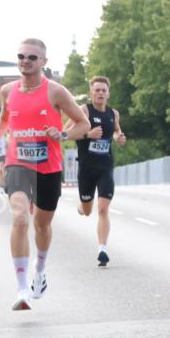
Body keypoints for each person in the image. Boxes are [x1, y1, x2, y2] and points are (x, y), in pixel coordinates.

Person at [0, 38, 90, 310]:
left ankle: (40, 268)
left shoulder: (56, 92)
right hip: (18, 163)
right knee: (19, 218)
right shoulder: (7, 90)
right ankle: (22, 288)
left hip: (48, 166)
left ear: (44, 62)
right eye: (21, 56)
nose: (25, 61)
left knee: (41, 224)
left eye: (32, 58)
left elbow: (83, 123)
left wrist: (62, 134)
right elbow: (5, 119)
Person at [71, 76, 126, 266]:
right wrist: (87, 134)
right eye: (97, 90)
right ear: (91, 93)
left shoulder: (114, 114)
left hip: (105, 167)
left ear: (108, 93)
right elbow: (66, 133)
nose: (101, 93)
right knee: (87, 211)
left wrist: (119, 136)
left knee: (103, 209)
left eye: (104, 90)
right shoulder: (83, 111)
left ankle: (102, 248)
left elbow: (116, 130)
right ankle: (81, 205)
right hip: (86, 168)